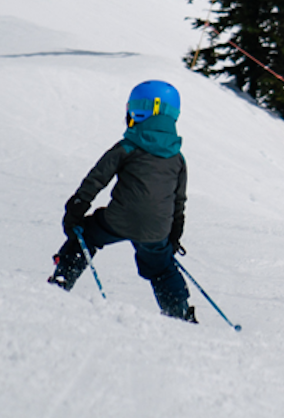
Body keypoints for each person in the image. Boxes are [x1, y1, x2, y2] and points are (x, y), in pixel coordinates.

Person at [49, 79, 196, 322]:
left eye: (134, 109)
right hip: (156, 228)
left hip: (119, 220)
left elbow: (96, 179)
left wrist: (76, 209)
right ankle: (179, 312)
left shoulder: (127, 147)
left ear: (148, 111)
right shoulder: (177, 158)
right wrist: (174, 234)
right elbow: (178, 200)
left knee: (86, 234)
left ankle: (62, 279)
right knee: (161, 266)